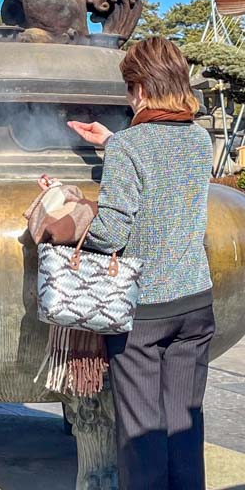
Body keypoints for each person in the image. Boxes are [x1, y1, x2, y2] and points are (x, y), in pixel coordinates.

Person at [40, 36, 214, 490]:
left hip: (145, 313)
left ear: (139, 88)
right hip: (195, 303)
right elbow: (165, 167)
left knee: (141, 436)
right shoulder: (200, 139)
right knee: (183, 425)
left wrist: (69, 210)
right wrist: (115, 142)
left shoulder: (130, 148)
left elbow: (112, 233)